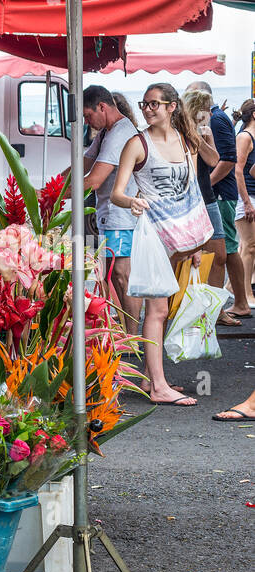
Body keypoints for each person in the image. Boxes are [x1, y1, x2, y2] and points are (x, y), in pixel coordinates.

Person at [111, 83, 212, 407]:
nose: (148, 109)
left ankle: (152, 377)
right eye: (144, 104)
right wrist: (133, 202)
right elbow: (118, 192)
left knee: (164, 308)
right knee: (157, 308)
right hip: (153, 236)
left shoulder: (186, 142)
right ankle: (158, 385)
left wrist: (194, 244)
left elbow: (191, 193)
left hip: (179, 235)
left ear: (171, 107)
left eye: (155, 104)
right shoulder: (136, 144)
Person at [188, 81, 250, 320]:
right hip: (210, 196)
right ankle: (220, 307)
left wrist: (208, 184)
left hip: (218, 194)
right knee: (219, 253)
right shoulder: (199, 124)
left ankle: (220, 308)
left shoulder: (215, 120)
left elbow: (224, 159)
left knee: (224, 251)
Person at [82, 86, 141, 334]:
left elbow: (93, 180)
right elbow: (82, 164)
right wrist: (51, 186)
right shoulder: (106, 133)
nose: (87, 122)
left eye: (87, 116)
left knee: (121, 274)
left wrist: (57, 195)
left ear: (102, 107)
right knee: (108, 274)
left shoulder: (121, 133)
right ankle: (118, 331)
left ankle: (132, 336)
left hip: (122, 215)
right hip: (110, 214)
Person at [233, 99, 255, 310]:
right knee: (249, 246)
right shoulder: (245, 137)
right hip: (246, 197)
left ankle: (234, 286)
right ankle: (246, 294)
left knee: (247, 247)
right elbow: (238, 170)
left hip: (251, 195)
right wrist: (247, 202)